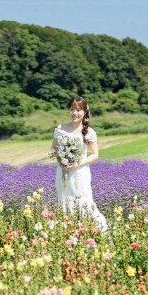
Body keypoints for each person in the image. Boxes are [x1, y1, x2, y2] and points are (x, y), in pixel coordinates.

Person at [51, 96, 108, 232]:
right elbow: (54, 149)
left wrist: (77, 163)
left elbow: (95, 155)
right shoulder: (60, 128)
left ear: (84, 112)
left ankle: (94, 230)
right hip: (62, 172)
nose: (74, 113)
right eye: (71, 109)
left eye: (78, 110)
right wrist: (61, 161)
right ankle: (68, 232)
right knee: (64, 201)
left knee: (84, 201)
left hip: (80, 172)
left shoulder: (88, 132)